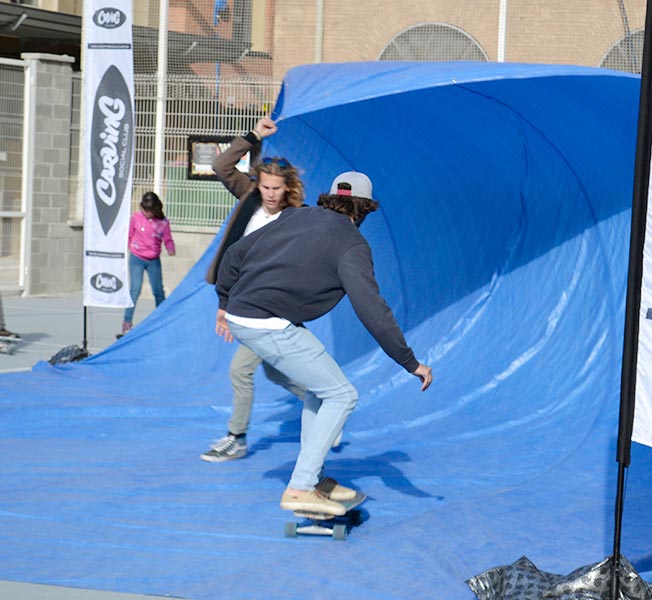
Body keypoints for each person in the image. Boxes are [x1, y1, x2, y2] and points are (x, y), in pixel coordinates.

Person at [214, 171, 433, 516]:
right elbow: (372, 309)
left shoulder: (295, 215)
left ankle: (311, 478)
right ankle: (300, 487)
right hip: (267, 323)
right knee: (342, 395)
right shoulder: (351, 244)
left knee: (321, 388)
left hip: (250, 315)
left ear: (331, 198)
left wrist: (224, 301)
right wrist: (409, 362)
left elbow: (235, 252)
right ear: (363, 210)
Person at [201, 116, 319, 463]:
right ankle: (325, 399)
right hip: (243, 299)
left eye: (276, 189)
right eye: (265, 187)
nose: (269, 194)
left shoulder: (295, 218)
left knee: (240, 369)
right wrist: (253, 136)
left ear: (288, 189)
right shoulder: (248, 197)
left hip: (271, 306)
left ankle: (236, 438)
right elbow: (221, 165)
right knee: (273, 369)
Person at [122, 192, 176, 335]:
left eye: (150, 211)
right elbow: (129, 234)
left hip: (153, 260)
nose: (146, 213)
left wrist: (170, 248)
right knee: (135, 289)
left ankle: (162, 319)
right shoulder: (136, 218)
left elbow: (168, 238)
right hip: (137, 257)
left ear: (156, 209)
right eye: (144, 210)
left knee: (158, 291)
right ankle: (127, 322)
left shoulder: (162, 222)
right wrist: (124, 249)